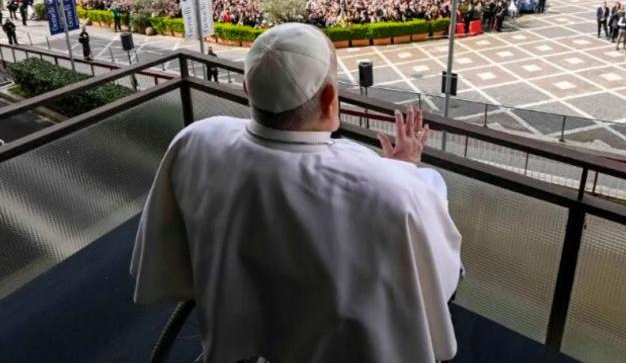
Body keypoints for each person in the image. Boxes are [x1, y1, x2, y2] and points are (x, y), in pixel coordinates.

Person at [131, 23, 462, 363]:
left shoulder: (196, 139)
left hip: (236, 345)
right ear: (331, 100)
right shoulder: (390, 188)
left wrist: (394, 173)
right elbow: (441, 277)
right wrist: (405, 167)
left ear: (247, 88)